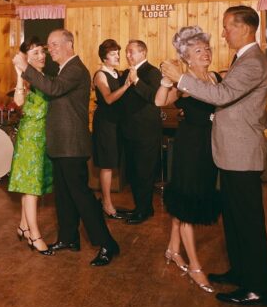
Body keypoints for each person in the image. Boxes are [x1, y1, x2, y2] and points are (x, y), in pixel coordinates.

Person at [162, 5, 267, 306]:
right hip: (230, 153)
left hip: (242, 153)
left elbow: (222, 96)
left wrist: (181, 79)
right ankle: (241, 273)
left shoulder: (252, 62)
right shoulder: (243, 59)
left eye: (227, 27)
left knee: (247, 222)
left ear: (244, 28)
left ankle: (257, 288)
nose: (223, 34)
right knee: (234, 220)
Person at [13, 29, 119, 266]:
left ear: (69, 44)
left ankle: (107, 244)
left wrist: (25, 67)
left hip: (72, 145)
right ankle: (69, 238)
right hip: (60, 144)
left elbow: (53, 89)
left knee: (82, 196)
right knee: (64, 196)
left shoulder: (76, 69)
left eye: (54, 44)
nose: (50, 50)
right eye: (49, 46)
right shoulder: (63, 70)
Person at [156, 27, 222, 293]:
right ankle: (195, 266)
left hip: (210, 147)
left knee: (192, 197)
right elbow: (160, 101)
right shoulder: (184, 83)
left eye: (207, 49)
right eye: (198, 51)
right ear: (187, 58)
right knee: (186, 200)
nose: (205, 53)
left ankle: (173, 250)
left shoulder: (216, 77)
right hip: (189, 148)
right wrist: (166, 79)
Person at [8, 37, 54, 256]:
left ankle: (24, 226)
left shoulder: (43, 77)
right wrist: (19, 74)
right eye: (35, 53)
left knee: (34, 184)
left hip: (43, 137)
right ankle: (35, 235)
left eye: (41, 52)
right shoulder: (26, 79)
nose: (41, 56)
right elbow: (18, 102)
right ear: (25, 57)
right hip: (30, 138)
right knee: (31, 187)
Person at [119, 39, 163, 224]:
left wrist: (136, 81)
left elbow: (154, 97)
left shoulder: (152, 72)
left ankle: (143, 210)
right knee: (133, 173)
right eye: (127, 52)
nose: (128, 55)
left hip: (146, 131)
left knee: (144, 172)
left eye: (132, 52)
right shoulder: (125, 73)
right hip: (129, 131)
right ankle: (142, 207)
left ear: (143, 53)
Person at [92, 39, 131, 219]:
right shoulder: (100, 75)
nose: (117, 56)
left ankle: (107, 201)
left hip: (118, 122)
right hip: (105, 123)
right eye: (113, 54)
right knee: (107, 165)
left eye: (118, 53)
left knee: (113, 162)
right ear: (104, 57)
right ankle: (106, 204)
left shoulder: (117, 73)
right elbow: (108, 99)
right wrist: (126, 86)